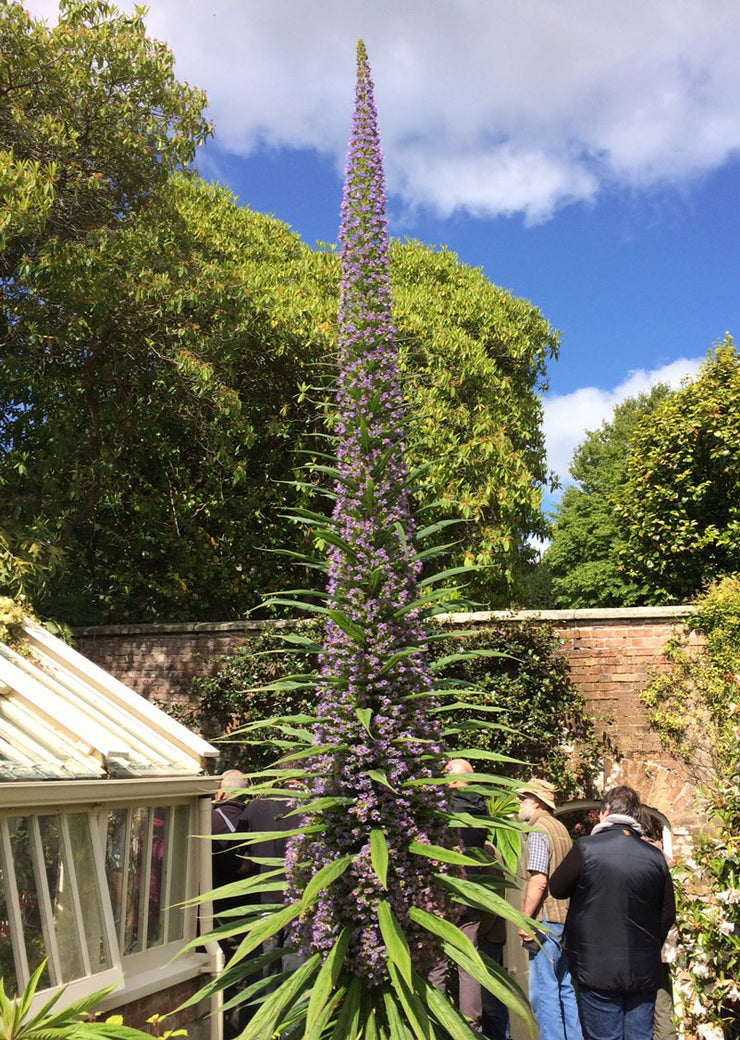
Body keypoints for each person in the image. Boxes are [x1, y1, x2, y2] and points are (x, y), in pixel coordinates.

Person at [549, 785, 676, 1040]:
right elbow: (668, 914)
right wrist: (649, 947)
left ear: (604, 811)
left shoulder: (586, 848)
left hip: (596, 968)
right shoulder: (655, 857)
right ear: (636, 815)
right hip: (643, 970)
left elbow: (557, 888)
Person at [517, 777, 583, 1040]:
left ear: (536, 803)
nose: (519, 802)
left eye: (523, 798)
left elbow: (539, 879)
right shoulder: (561, 829)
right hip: (565, 919)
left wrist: (524, 920)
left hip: (544, 921)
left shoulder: (539, 830)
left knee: (543, 992)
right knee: (565, 987)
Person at [429, 758, 488, 1034]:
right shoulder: (481, 807)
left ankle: (436, 1020)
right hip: (473, 890)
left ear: (451, 780)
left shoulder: (444, 808)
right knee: (469, 960)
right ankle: (471, 1024)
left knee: (436, 958)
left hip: (445, 890)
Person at [211, 770, 253, 1040]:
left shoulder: (210, 820)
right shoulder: (253, 819)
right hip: (247, 908)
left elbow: (228, 864)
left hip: (216, 909)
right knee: (243, 972)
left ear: (221, 793)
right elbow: (242, 865)